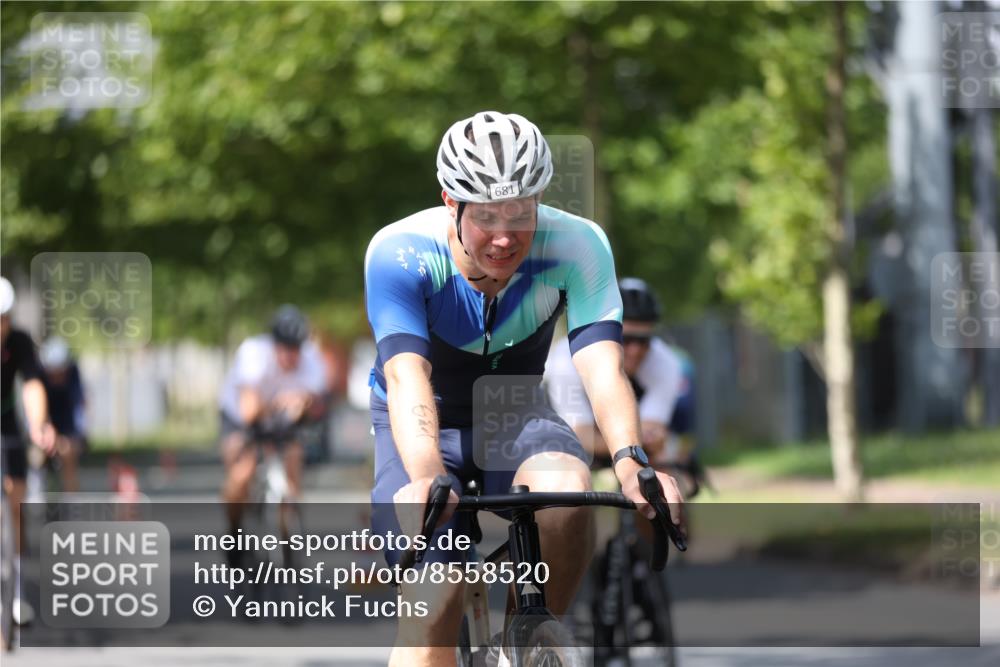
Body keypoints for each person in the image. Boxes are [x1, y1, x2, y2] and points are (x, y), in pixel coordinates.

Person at [364, 111, 683, 667]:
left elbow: (601, 364)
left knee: (567, 489)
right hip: (422, 416)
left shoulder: (578, 244)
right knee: (433, 603)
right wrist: (423, 478)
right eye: (487, 216)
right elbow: (405, 375)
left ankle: (528, 642)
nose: (506, 236)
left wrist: (632, 463)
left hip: (513, 407)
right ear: (450, 201)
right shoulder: (400, 251)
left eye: (520, 213)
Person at [545, 277, 692, 468]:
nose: (635, 350)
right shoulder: (566, 357)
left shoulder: (666, 362)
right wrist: (637, 441)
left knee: (668, 462)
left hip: (620, 443)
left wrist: (647, 441)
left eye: (644, 340)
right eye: (626, 339)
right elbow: (581, 436)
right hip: (567, 440)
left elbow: (652, 431)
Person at [217, 305, 326, 541]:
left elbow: (313, 406)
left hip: (280, 423)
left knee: (293, 457)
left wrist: (304, 405)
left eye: (295, 348)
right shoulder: (254, 353)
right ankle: (234, 533)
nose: (290, 355)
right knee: (241, 474)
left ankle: (289, 522)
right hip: (240, 418)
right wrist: (280, 403)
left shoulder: (312, 360)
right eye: (284, 347)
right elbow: (249, 412)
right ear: (273, 344)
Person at [0, 277, 56, 626]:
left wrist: (38, 424)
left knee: (15, 501)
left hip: (6, 424)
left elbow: (33, 384)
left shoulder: (19, 342)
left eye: (4, 319)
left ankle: (17, 591)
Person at [36, 336, 88, 494]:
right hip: (43, 423)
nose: (57, 375)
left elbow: (79, 409)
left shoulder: (73, 376)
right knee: (36, 456)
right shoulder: (38, 378)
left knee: (68, 453)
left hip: (67, 426)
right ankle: (36, 497)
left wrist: (79, 435)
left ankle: (71, 504)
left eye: (61, 370)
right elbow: (33, 414)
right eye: (53, 371)